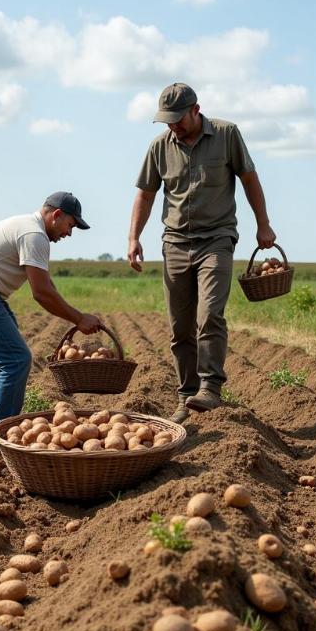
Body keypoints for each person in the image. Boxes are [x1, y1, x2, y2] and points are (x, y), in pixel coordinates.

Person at [127, 83, 276, 423]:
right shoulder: (159, 147)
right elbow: (145, 195)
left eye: (178, 119)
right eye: (167, 121)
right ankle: (185, 394)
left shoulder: (226, 134)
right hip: (175, 242)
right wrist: (133, 237)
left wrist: (263, 224)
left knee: (209, 314)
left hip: (217, 239)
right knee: (180, 326)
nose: (173, 127)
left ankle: (210, 388)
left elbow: (250, 179)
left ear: (196, 110)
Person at [0, 191, 102, 444]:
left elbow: (46, 285)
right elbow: (41, 293)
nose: (69, 233)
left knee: (9, 351)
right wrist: (79, 318)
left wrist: (76, 315)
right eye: (70, 225)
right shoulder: (34, 235)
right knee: (16, 359)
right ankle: (1, 437)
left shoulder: (30, 229)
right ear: (56, 215)